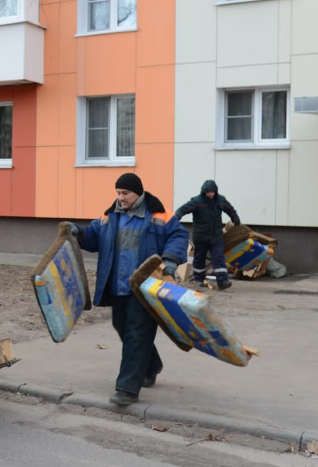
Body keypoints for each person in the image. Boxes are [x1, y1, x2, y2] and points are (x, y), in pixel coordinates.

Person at [67, 173, 189, 407]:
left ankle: (127, 389)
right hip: (118, 286)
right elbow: (93, 237)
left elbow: (179, 235)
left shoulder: (158, 215)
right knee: (122, 327)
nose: (120, 198)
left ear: (138, 193)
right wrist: (78, 232)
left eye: (125, 193)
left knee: (137, 334)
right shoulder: (110, 215)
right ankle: (151, 366)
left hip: (146, 286)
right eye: (118, 193)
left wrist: (171, 259)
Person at [173, 180, 240, 291]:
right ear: (204, 192)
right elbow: (183, 209)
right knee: (200, 258)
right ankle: (198, 279)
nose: (210, 194)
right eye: (208, 192)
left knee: (218, 257)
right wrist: (177, 217)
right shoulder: (197, 201)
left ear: (215, 192)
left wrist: (236, 221)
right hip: (201, 237)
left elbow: (231, 210)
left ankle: (222, 281)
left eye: (212, 192)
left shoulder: (221, 200)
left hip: (216, 236)